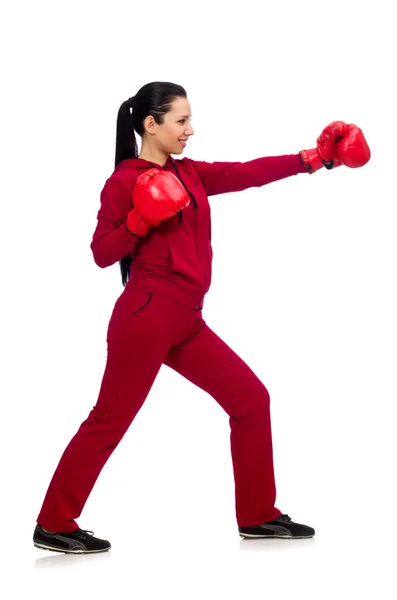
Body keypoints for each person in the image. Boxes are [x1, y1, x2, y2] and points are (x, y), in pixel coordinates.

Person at [33, 81, 371, 554]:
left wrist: (316, 157)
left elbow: (243, 172)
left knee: (251, 399)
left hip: (187, 321)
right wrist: (139, 219)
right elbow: (101, 254)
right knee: (109, 420)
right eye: (181, 121)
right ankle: (53, 522)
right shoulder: (124, 181)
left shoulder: (189, 174)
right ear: (151, 125)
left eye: (190, 120)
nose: (191, 130)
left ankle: (258, 515)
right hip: (146, 317)